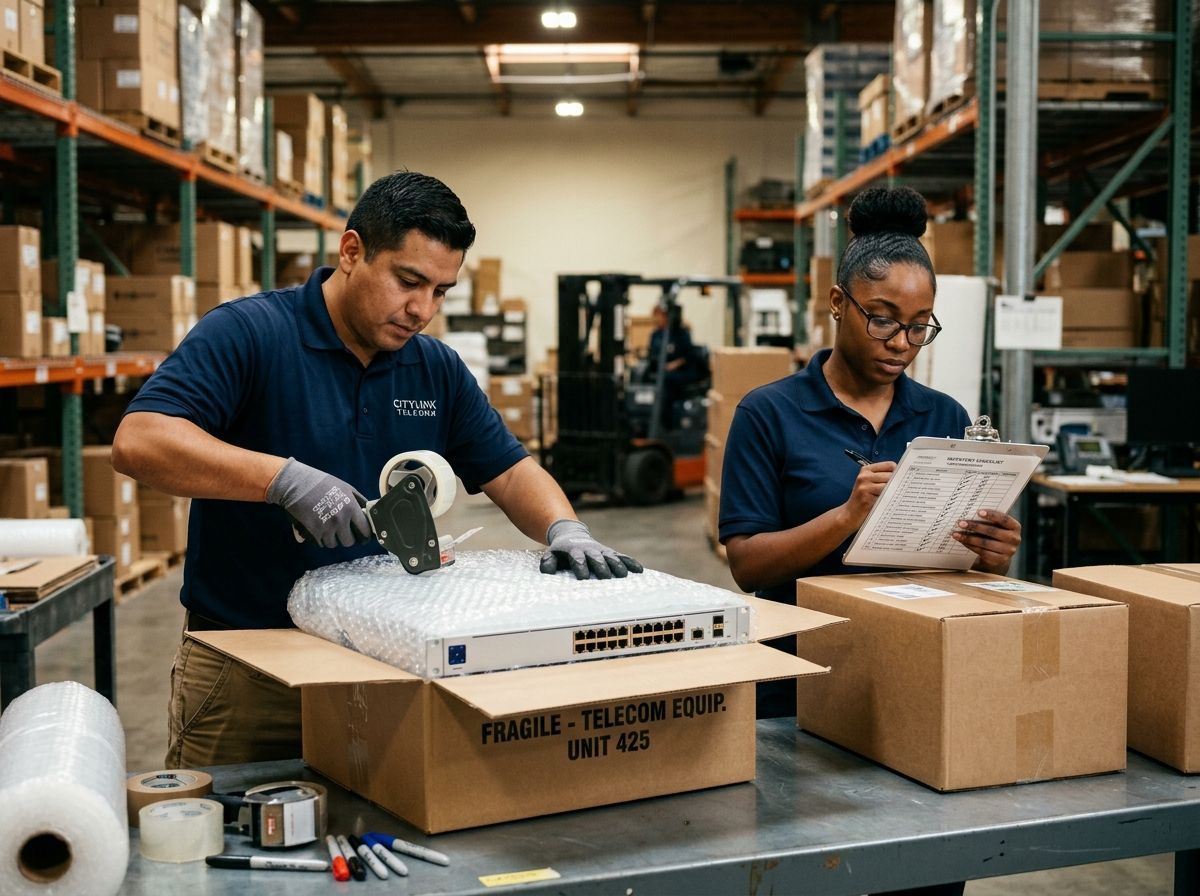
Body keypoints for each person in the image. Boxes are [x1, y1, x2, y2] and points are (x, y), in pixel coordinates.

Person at [111, 171, 642, 768]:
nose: (422, 309)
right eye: (408, 281)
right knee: (223, 837)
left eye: (442, 291)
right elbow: (140, 440)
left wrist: (564, 528)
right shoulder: (249, 334)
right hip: (249, 661)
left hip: (384, 659)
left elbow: (510, 470)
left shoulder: (434, 368)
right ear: (351, 251)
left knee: (377, 834)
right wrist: (282, 480)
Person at [718, 186, 1017, 896]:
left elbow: (959, 566)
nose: (901, 344)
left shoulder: (941, 415)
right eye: (883, 320)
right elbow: (747, 564)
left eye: (919, 327)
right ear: (837, 302)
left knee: (928, 872)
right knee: (816, 870)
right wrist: (846, 517)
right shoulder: (772, 413)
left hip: (915, 676)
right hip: (802, 689)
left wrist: (991, 551)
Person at [646, 304, 706, 427]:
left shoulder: (681, 334)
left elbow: (689, 355)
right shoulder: (656, 335)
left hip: (681, 371)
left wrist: (674, 364)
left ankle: (668, 424)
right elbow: (652, 355)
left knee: (666, 382)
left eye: (659, 316)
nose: (656, 320)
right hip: (663, 371)